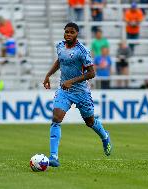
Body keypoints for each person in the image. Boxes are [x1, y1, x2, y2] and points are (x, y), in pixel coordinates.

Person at [43, 22, 112, 167]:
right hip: (64, 91)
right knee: (56, 117)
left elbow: (92, 73)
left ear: (77, 34)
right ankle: (54, 156)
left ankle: (105, 136)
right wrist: (48, 75)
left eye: (71, 32)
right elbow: (60, 61)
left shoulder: (82, 51)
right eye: (66, 32)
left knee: (90, 122)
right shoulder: (60, 46)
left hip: (81, 92)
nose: (68, 34)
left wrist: (71, 81)